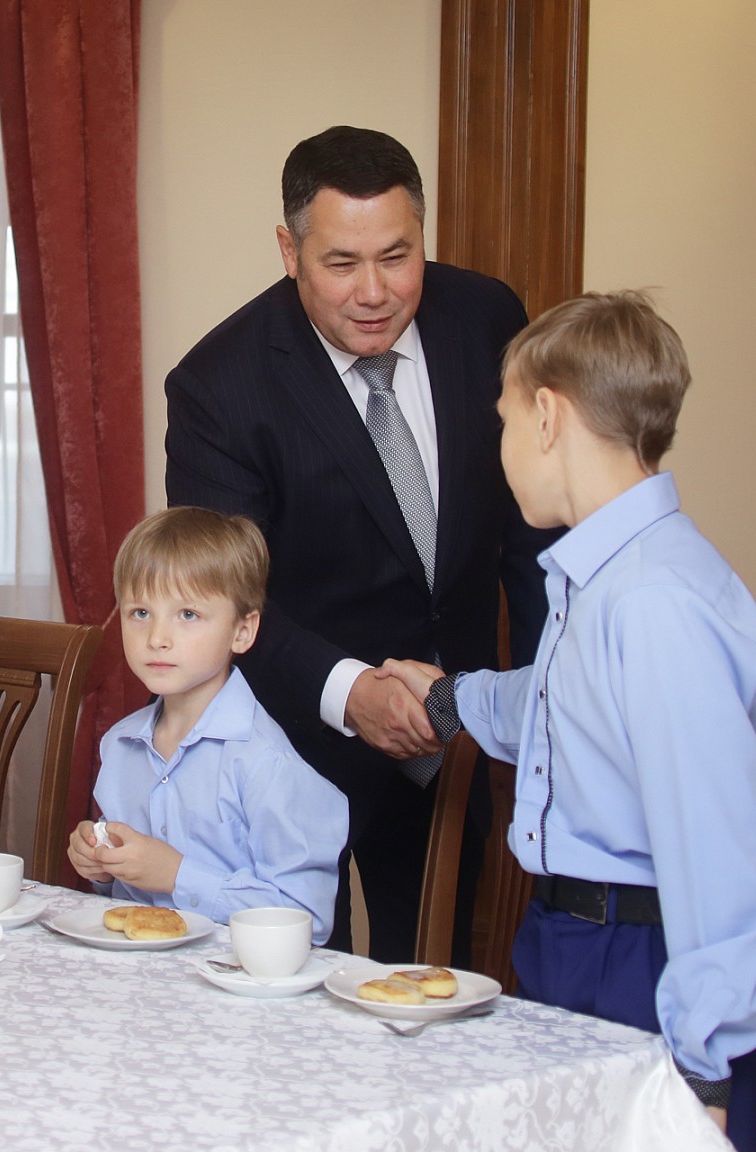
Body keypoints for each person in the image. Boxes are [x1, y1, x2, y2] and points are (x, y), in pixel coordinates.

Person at [382, 291, 756, 1150]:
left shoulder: (653, 601)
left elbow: (714, 853)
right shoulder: (607, 574)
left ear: (547, 415)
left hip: (645, 965)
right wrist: (454, 699)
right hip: (574, 941)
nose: (499, 451)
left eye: (500, 421)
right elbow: (558, 701)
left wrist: (702, 1070)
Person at [164, 125, 557, 960]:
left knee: (436, 988)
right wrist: (352, 693)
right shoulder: (220, 386)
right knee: (292, 998)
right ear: (290, 250)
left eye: (398, 256)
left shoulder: (487, 318)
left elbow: (528, 541)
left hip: (457, 737)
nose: (374, 291)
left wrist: (541, 706)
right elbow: (223, 601)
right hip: (293, 743)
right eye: (342, 263)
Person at [67, 507, 348, 944]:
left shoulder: (266, 763)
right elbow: (123, 895)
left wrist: (179, 876)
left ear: (242, 631)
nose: (157, 637)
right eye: (140, 612)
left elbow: (307, 920)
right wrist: (102, 865)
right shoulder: (119, 746)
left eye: (188, 615)